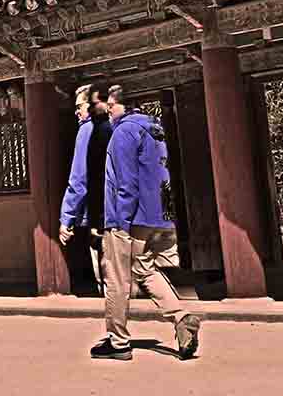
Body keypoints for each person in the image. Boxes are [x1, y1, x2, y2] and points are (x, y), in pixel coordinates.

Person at [92, 88, 201, 362]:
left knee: (116, 277)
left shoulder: (124, 132)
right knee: (144, 270)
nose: (108, 110)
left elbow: (126, 182)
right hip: (156, 214)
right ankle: (182, 317)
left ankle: (118, 342)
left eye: (112, 105)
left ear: (126, 106)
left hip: (129, 217)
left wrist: (119, 220)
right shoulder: (155, 129)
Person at [58, 82, 111, 296]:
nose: (76, 111)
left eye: (79, 106)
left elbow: (79, 178)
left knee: (108, 275)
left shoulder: (87, 130)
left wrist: (67, 218)